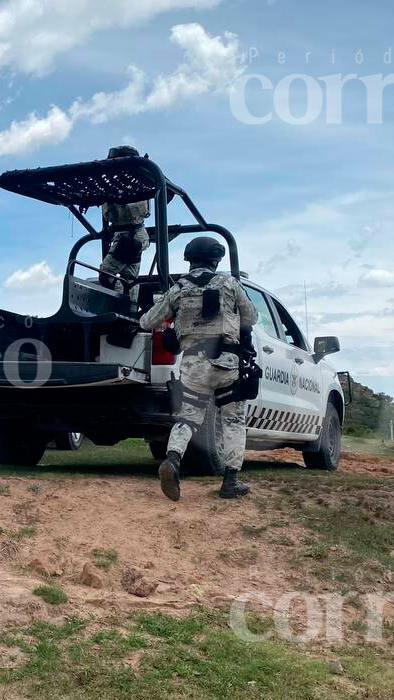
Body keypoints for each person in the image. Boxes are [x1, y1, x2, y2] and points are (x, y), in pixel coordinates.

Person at [138, 237, 256, 501]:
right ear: (216, 260)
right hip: (226, 362)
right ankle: (230, 481)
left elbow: (148, 321)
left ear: (189, 259)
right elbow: (251, 317)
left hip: (193, 364)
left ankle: (173, 460)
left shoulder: (178, 288)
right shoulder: (229, 283)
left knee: (187, 418)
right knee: (233, 420)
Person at [99, 145, 151, 310]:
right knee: (129, 277)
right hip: (126, 234)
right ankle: (129, 309)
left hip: (132, 234)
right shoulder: (112, 185)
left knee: (106, 274)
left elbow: (166, 195)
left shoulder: (141, 180)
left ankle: (120, 306)